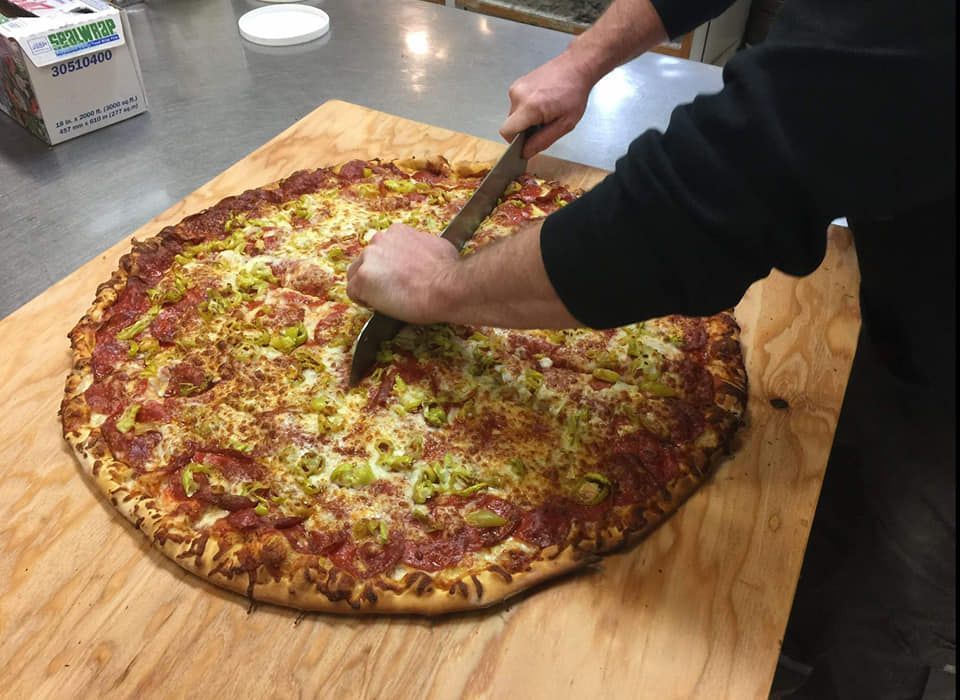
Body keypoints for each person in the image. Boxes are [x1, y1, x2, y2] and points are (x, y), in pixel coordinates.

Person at [346, 0, 956, 696]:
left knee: (896, 597)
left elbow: (717, 195)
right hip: (906, 258)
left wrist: (443, 289)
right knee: (829, 533)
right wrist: (584, 59)